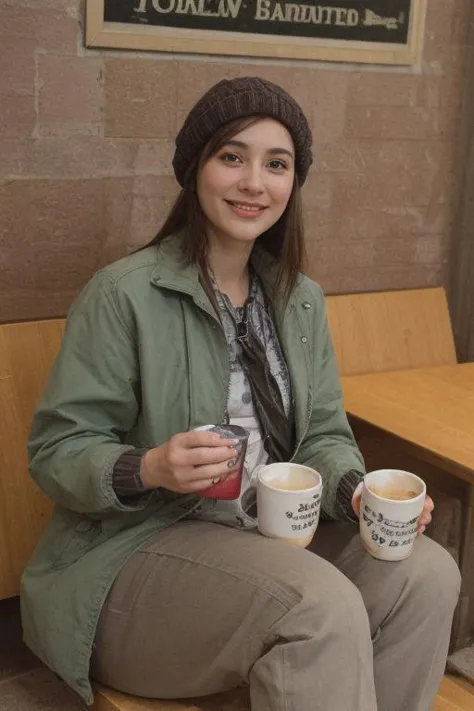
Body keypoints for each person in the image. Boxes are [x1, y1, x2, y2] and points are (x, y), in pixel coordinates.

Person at [21, 77, 460, 711]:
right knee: (321, 604)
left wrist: (352, 491)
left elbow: (324, 436)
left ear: (292, 183)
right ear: (195, 169)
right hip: (135, 559)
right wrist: (148, 466)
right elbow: (58, 449)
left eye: (276, 164)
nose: (254, 182)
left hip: (267, 544)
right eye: (232, 156)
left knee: (427, 571)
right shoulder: (124, 294)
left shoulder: (297, 297)